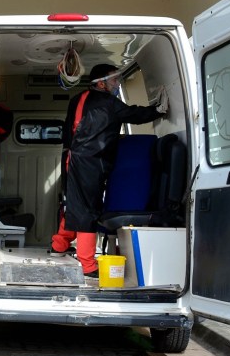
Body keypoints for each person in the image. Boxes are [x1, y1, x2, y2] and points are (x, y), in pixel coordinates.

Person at [50, 63, 167, 278]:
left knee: (75, 203)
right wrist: (157, 110)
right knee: (88, 211)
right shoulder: (109, 103)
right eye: (114, 81)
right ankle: (87, 265)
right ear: (101, 83)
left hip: (71, 157)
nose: (117, 84)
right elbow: (133, 114)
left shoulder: (78, 99)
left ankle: (59, 245)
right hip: (90, 163)